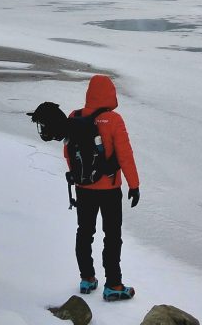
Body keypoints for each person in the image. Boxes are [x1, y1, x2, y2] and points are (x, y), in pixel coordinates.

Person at [68, 74, 140, 301]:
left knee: (84, 232)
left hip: (83, 187)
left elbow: (68, 151)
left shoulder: (75, 117)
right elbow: (125, 155)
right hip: (109, 189)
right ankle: (113, 285)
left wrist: (81, 177)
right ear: (110, 93)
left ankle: (87, 279)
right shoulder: (114, 120)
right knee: (112, 236)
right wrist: (134, 185)